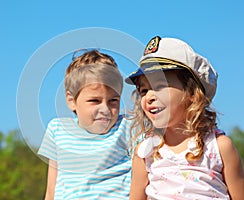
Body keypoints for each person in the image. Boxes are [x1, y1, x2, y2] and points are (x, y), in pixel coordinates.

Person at [126, 36, 244, 199]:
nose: (149, 96)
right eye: (144, 90)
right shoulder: (145, 152)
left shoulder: (219, 147)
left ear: (192, 94)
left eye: (160, 86)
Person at [38, 49, 132, 199]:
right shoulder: (58, 130)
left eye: (113, 100)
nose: (105, 109)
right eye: (95, 101)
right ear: (71, 100)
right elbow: (51, 190)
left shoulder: (127, 127)